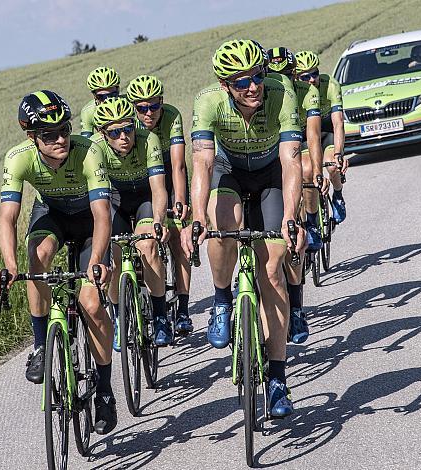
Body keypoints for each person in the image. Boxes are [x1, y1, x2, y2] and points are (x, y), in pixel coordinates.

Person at [183, 39, 306, 418]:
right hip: (229, 171)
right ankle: (222, 299)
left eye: (257, 77)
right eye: (241, 82)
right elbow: (202, 162)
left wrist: (291, 217)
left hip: (270, 174)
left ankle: (278, 379)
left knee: (273, 270)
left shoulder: (281, 96)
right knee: (222, 224)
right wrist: (197, 218)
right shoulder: (208, 103)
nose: (252, 87)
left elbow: (290, 161)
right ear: (225, 86)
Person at [0, 90, 117, 434]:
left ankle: (104, 390)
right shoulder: (18, 158)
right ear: (32, 138)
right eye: (49, 135)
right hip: (53, 215)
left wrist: (96, 262)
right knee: (36, 259)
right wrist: (10, 267)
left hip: (91, 220)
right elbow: (7, 218)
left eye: (64, 129)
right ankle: (39, 346)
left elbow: (103, 215)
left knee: (91, 302)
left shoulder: (89, 151)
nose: (61, 139)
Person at [89, 96, 172, 347]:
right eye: (115, 132)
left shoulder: (149, 140)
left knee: (147, 246)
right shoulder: (94, 149)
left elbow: (158, 188)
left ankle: (159, 315)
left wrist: (159, 221)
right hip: (114, 203)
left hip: (144, 198)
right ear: (103, 134)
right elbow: (98, 202)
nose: (124, 137)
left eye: (127, 129)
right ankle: (118, 317)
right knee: (114, 255)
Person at [125, 75, 193, 335]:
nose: (148, 113)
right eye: (141, 108)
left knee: (177, 237)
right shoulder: (127, 126)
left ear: (162, 103)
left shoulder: (172, 116)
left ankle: (184, 308)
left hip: (168, 172)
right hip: (144, 180)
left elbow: (178, 165)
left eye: (154, 106)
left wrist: (180, 201)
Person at [268, 46, 324, 345]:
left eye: (287, 75)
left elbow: (313, 136)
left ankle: (297, 306)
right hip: (264, 163)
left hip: (295, 148)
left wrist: (316, 170)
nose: (282, 81)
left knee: (292, 237)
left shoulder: (306, 92)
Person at [295, 50, 348, 224]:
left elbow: (338, 122)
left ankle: (338, 194)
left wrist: (339, 153)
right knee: (306, 171)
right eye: (305, 77)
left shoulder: (330, 85)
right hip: (305, 137)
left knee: (332, 166)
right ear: (295, 78)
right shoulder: (294, 93)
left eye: (314, 74)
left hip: (327, 131)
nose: (311, 80)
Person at [79, 66, 121, 137]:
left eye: (112, 95)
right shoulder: (88, 112)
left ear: (118, 90)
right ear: (94, 95)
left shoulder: (129, 103)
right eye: (102, 97)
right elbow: (86, 140)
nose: (108, 100)